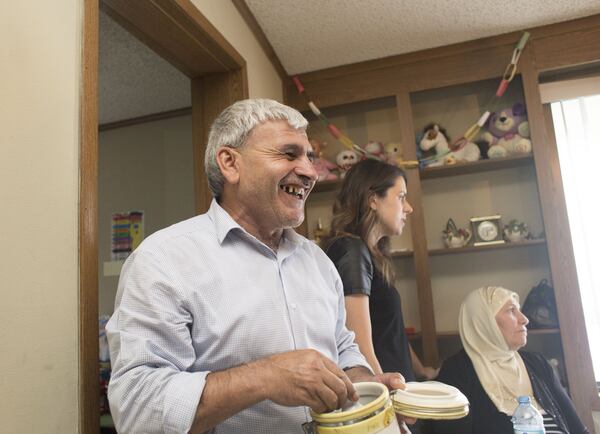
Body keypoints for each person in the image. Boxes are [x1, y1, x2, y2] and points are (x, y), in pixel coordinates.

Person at [106, 99, 409, 434]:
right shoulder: (163, 260)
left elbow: (343, 346)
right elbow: (137, 409)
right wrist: (263, 377)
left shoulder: (319, 262)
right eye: (289, 154)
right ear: (230, 163)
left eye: (309, 157)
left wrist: (364, 383)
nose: (310, 171)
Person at [322, 159, 438, 381]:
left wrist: (422, 371)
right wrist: (386, 402)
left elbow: (391, 332)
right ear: (373, 199)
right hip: (384, 395)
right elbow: (359, 349)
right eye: (401, 197)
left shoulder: (370, 254)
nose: (409, 207)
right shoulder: (351, 251)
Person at [427, 286, 589, 434]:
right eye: (511, 310)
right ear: (484, 321)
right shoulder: (458, 371)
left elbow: (578, 430)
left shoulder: (537, 364)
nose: (524, 319)